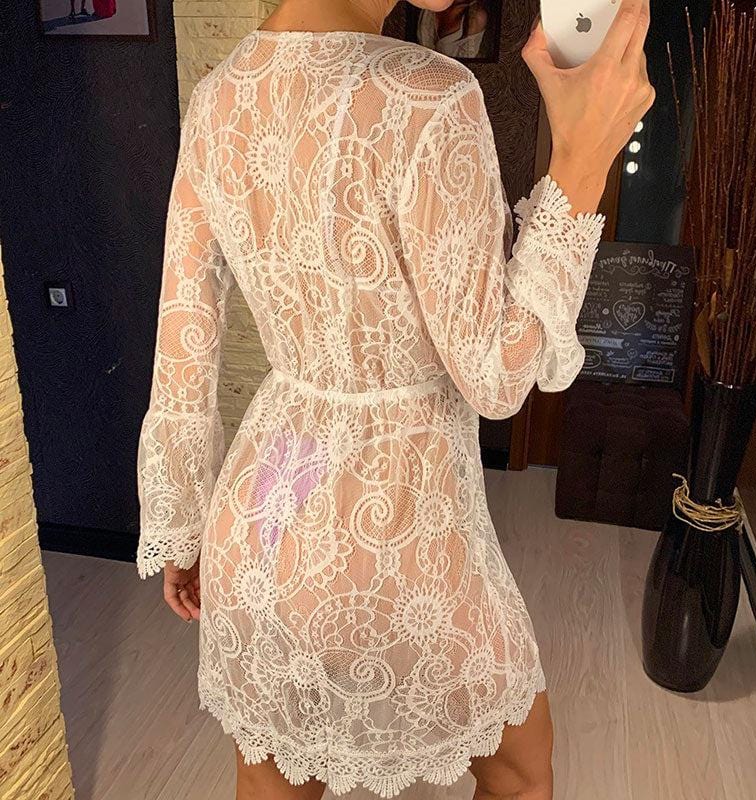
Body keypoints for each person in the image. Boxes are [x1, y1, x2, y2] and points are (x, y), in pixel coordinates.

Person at [134, 1, 654, 798]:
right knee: (520, 771)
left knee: (271, 778)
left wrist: (181, 525)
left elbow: (183, 337)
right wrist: (583, 164)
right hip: (408, 531)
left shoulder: (218, 95)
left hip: (266, 512)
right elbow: (497, 380)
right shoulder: (429, 94)